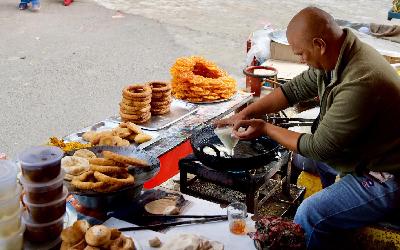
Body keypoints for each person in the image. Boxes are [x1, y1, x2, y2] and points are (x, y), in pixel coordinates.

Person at [217, 6, 400, 249]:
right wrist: (247, 112)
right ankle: (334, 227)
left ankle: (326, 221)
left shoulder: (361, 81)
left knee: (310, 214)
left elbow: (321, 148)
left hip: (386, 175)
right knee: (303, 161)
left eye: (301, 54)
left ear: (319, 44)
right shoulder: (338, 54)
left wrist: (266, 128)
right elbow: (293, 90)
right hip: (362, 153)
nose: (301, 60)